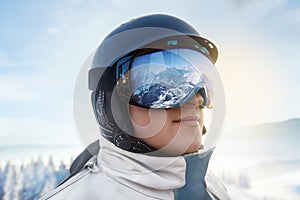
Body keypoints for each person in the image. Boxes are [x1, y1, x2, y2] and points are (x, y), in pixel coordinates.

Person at [41, 14, 230, 200]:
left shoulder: (212, 186)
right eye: (157, 83)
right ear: (111, 108)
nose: (197, 99)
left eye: (202, 82)